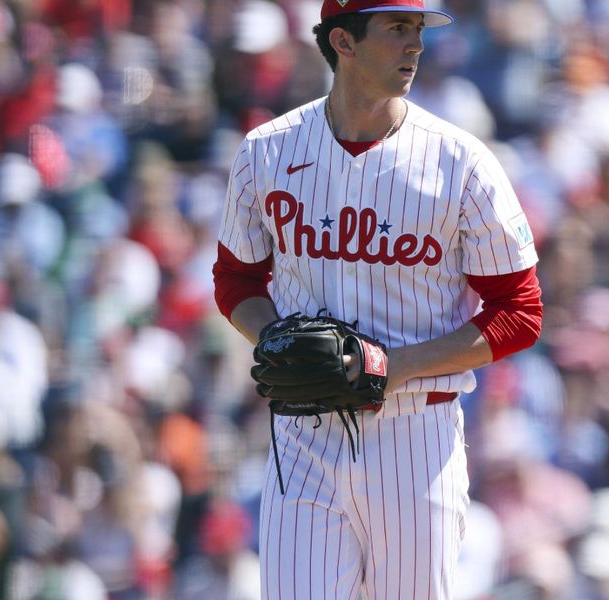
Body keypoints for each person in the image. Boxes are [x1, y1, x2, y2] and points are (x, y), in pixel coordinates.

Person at [212, 1, 543, 597]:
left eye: (417, 30)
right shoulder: (267, 152)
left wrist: (392, 367)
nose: (415, 45)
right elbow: (235, 279)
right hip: (304, 432)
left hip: (416, 439)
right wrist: (273, 339)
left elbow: (520, 312)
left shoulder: (460, 163)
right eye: (397, 30)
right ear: (343, 41)